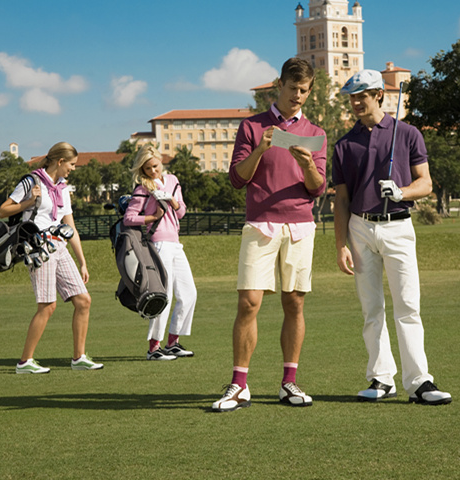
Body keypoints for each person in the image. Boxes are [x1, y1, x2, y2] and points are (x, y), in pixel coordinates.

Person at [212, 57, 327, 412]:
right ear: (280, 85)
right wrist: (261, 149)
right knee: (249, 302)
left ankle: (289, 383)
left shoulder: (317, 134)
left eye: (304, 91)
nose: (298, 96)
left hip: (300, 226)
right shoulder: (252, 127)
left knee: (294, 303)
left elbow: (317, 188)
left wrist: (308, 166)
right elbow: (237, 179)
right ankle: (239, 386)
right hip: (260, 224)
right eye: (292, 88)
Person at [332, 70, 451, 405]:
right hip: (360, 228)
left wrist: (401, 192)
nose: (356, 103)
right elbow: (341, 200)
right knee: (371, 308)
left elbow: (425, 183)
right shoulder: (344, 145)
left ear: (379, 95)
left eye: (362, 96)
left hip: (398, 226)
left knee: (408, 306)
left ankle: (419, 382)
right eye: (352, 97)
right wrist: (340, 245)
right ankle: (382, 378)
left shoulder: (408, 134)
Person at [0, 141, 103, 374]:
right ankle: (25, 362)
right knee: (47, 306)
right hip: (37, 248)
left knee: (83, 301)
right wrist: (29, 202)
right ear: (60, 161)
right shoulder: (31, 182)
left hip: (59, 247)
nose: (73, 168)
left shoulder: (63, 188)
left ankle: (79, 358)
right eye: (71, 164)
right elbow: (3, 210)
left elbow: (70, 227)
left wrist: (83, 262)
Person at [123, 145, 197, 361]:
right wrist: (153, 217)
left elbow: (181, 212)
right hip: (158, 244)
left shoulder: (173, 180)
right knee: (164, 295)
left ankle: (172, 343)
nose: (152, 171)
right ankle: (154, 348)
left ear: (160, 162)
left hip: (175, 243)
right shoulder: (143, 188)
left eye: (155, 166)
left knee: (189, 293)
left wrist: (171, 200)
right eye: (147, 169)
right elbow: (129, 218)